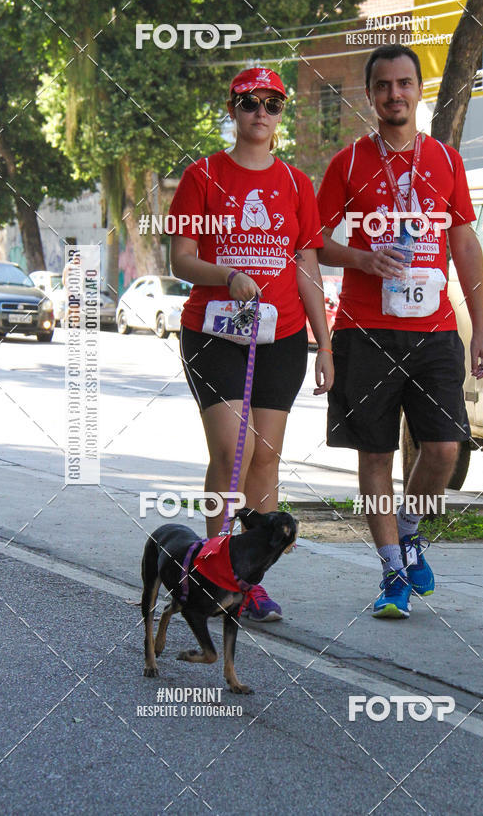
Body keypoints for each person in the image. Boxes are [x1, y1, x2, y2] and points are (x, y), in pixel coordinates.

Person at [317, 44, 483, 619]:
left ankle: (409, 531)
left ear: (419, 90)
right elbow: (312, 242)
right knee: (375, 455)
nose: (395, 94)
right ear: (370, 96)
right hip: (364, 331)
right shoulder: (347, 163)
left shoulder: (445, 160)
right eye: (384, 85)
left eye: (405, 83)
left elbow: (463, 243)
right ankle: (392, 571)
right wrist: (363, 260)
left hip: (435, 330)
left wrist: (481, 325)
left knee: (443, 447)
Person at [169, 66, 333, 621]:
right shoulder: (203, 175)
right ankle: (213, 569)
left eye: (272, 103)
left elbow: (307, 264)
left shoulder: (295, 184)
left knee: (264, 458)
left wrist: (325, 345)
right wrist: (226, 273)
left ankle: (251, 582)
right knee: (229, 456)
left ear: (281, 114)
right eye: (249, 102)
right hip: (215, 331)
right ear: (232, 108)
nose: (260, 112)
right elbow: (181, 259)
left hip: (281, 335)